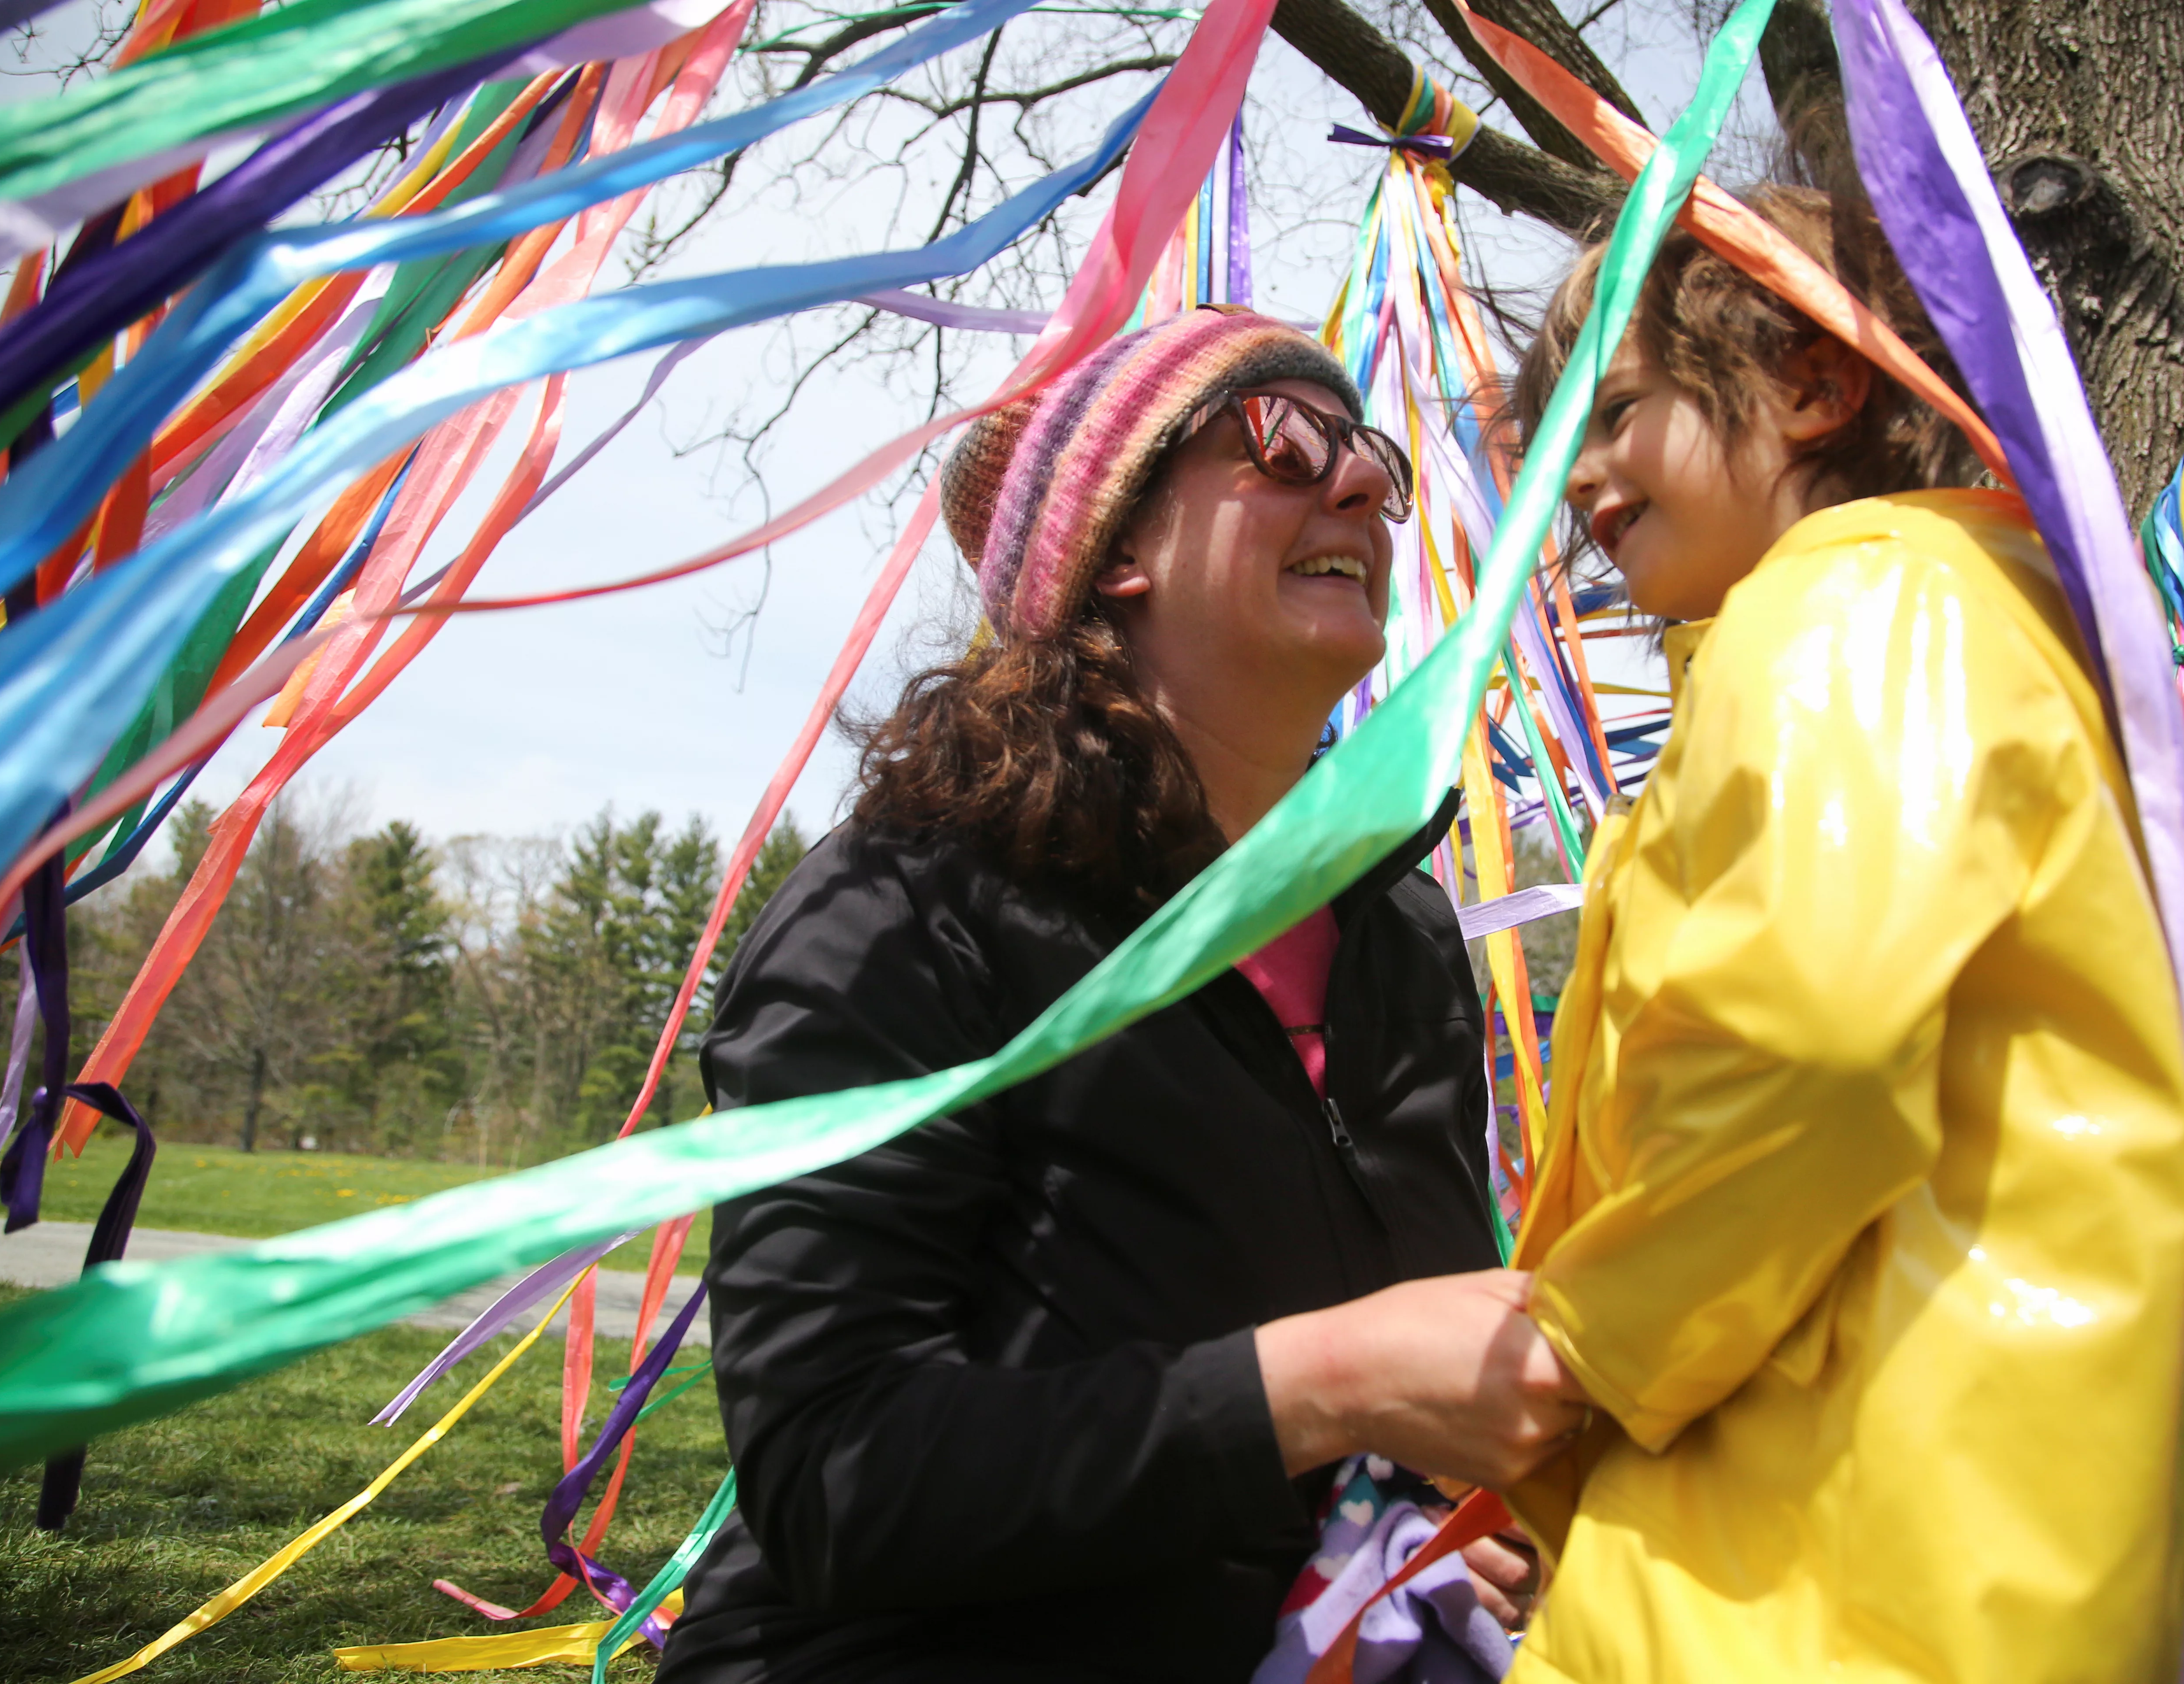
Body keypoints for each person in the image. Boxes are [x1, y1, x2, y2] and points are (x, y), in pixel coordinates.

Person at [657, 306, 1585, 1684]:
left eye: (1373, 457)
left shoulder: (1399, 930)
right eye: (1282, 441)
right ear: (1117, 548)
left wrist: (1439, 1509)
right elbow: (835, 1477)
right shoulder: (901, 911)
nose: (1365, 486)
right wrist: (1326, 1382)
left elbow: (1389, 1402)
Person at [1498, 187, 2184, 1683]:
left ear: (1814, 386)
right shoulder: (1997, 624)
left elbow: (1803, 1047)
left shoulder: (1848, 615)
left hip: (1814, 1568)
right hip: (1978, 1532)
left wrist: (1578, 1356)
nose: (1583, 476)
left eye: (1615, 409)